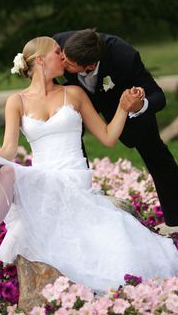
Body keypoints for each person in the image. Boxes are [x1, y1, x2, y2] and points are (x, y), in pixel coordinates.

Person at [0, 36, 178, 291]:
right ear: (40, 60)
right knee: (1, 171)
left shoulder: (74, 93)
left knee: (5, 173)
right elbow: (7, 150)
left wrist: (124, 108)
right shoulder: (16, 101)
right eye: (58, 52)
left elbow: (107, 138)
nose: (63, 57)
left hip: (72, 177)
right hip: (41, 177)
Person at [53, 29, 178, 227]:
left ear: (90, 66)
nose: (62, 62)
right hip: (76, 100)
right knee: (70, 143)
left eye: (69, 64)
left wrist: (139, 105)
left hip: (121, 103)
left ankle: (176, 218)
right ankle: (80, 207)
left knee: (155, 152)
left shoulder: (124, 56)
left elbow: (158, 96)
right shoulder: (59, 45)